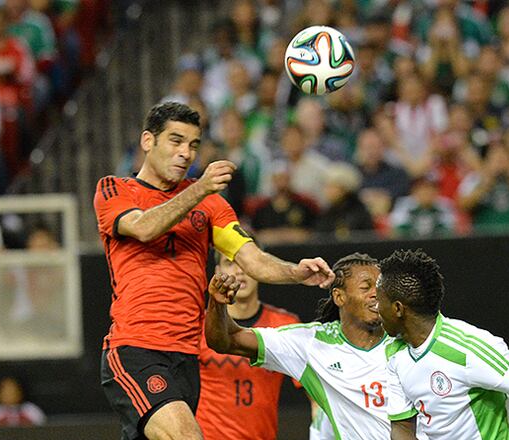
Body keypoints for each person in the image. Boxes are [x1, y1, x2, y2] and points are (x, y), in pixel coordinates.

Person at [93, 102, 334, 440]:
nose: (185, 153)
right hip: (136, 349)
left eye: (192, 145)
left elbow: (251, 259)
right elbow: (144, 228)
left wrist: (296, 272)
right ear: (148, 141)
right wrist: (199, 188)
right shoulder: (116, 189)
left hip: (187, 356)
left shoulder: (211, 206)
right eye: (175, 141)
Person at [206, 253, 394, 440]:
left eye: (380, 287)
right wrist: (217, 303)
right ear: (339, 297)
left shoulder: (405, 341)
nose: (376, 294)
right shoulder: (312, 345)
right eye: (366, 287)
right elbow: (227, 340)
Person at [376, 249, 509, 440]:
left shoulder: (468, 348)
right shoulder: (394, 352)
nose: (376, 308)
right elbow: (402, 426)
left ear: (398, 308)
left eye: (379, 301)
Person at [196, 251, 303, 440]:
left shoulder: (285, 325)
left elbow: (316, 391)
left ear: (261, 268)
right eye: (230, 263)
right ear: (217, 271)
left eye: (246, 263)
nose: (239, 271)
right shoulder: (197, 325)